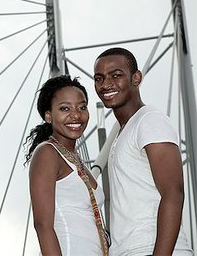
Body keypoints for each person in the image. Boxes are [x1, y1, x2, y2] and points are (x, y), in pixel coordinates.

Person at [93, 47, 193, 255]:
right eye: (99, 78)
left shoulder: (149, 121)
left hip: (151, 249)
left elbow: (173, 193)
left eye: (116, 75)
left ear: (136, 78)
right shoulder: (123, 132)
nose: (106, 85)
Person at [26, 75, 108, 256]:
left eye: (82, 107)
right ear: (48, 115)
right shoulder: (48, 153)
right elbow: (42, 225)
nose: (76, 115)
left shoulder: (75, 159)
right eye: (65, 108)